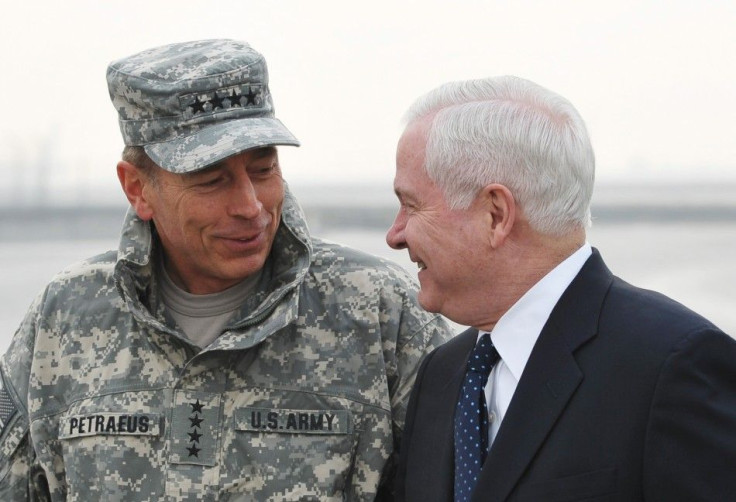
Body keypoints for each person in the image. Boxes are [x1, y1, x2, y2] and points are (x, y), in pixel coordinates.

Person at [0, 39, 451, 500]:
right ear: (138, 188)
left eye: (263, 169)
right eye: (212, 180)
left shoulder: (380, 313)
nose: (250, 206)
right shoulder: (61, 320)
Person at [387, 76, 736, 501]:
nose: (395, 234)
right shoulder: (442, 373)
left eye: (411, 205)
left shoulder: (673, 366)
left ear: (496, 214)